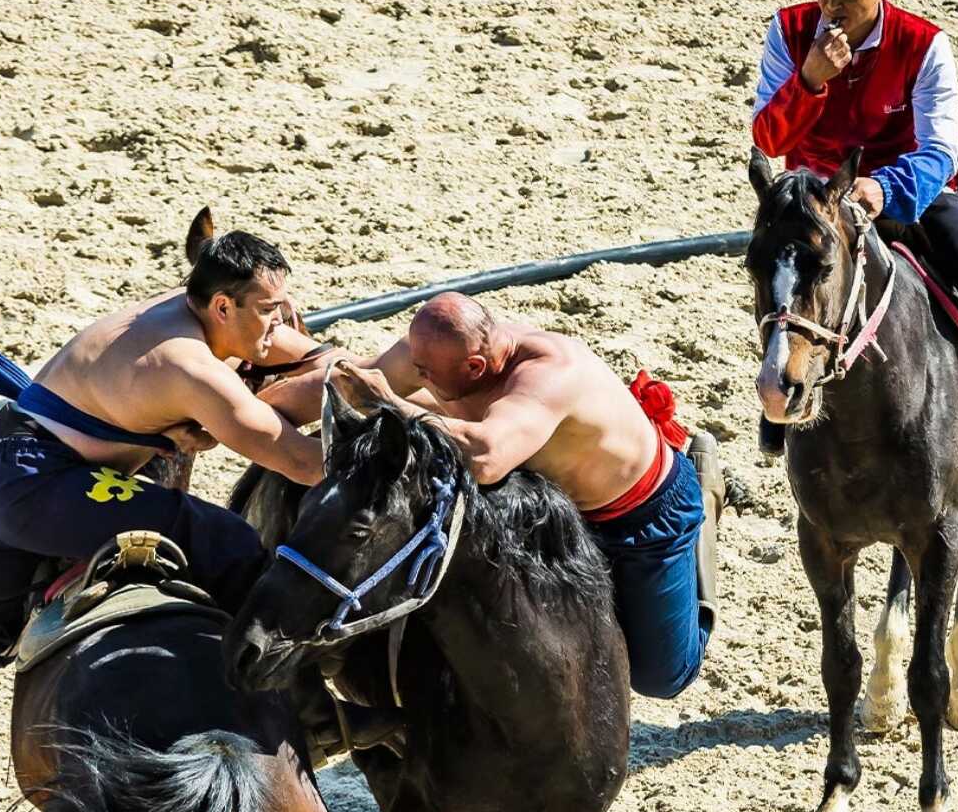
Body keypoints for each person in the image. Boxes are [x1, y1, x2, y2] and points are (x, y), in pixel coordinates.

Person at [0, 231, 334, 677]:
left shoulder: (171, 310)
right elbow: (300, 463)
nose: (277, 322)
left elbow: (294, 353)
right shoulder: (192, 366)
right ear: (224, 307)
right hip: (43, 484)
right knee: (223, 536)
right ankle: (286, 689)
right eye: (271, 310)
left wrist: (382, 378)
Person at [259, 292, 725, 700]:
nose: (414, 374)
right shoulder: (439, 346)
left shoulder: (550, 373)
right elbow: (354, 378)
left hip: (639, 515)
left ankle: (704, 501)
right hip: (544, 503)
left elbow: (485, 459)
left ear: (476, 367)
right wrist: (246, 410)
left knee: (661, 677)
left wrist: (391, 403)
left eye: (424, 373)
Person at [751, 0, 958, 449]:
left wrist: (884, 187)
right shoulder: (790, 30)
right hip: (816, 201)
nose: (831, 5)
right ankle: (779, 393)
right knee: (777, 279)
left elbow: (941, 150)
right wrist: (810, 81)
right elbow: (769, 139)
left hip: (907, 189)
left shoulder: (924, 43)